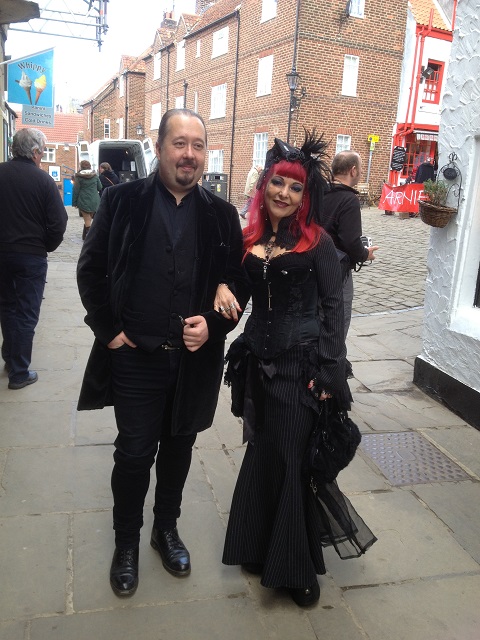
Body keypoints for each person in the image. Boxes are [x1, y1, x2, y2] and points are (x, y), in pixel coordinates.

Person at [76, 108, 249, 598]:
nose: (189, 154)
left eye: (198, 145)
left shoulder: (220, 214)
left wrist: (213, 325)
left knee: (178, 451)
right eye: (180, 143)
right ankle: (126, 543)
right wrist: (109, 331)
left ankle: (164, 530)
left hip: (193, 362)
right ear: (159, 146)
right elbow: (90, 271)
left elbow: (239, 285)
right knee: (133, 454)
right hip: (135, 356)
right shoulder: (122, 201)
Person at [216, 134, 376, 607]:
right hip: (258, 366)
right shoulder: (253, 240)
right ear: (265, 186)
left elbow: (333, 308)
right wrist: (221, 287)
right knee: (263, 452)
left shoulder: (318, 244)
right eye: (277, 183)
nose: (284, 193)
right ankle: (257, 543)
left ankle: (297, 565)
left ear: (307, 197)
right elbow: (240, 296)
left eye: (295, 187)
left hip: (299, 367)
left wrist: (328, 374)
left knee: (291, 460)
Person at [0, 128, 67, 389]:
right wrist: (46, 246)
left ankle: (10, 358)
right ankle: (19, 372)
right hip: (30, 256)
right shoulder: (42, 181)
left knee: (7, 307)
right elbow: (58, 223)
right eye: (42, 151)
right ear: (36, 152)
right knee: (26, 312)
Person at [320, 151, 378, 340]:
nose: (360, 173)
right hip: (337, 272)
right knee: (337, 324)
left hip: (314, 267)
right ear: (353, 170)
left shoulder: (321, 192)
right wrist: (364, 254)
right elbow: (351, 242)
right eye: (360, 169)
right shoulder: (349, 200)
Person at [72, 160, 102, 240]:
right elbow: (100, 187)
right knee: (89, 218)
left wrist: (74, 203)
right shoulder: (95, 175)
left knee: (87, 220)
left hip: (83, 200)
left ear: (81, 167)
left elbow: (76, 190)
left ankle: (90, 238)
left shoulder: (78, 177)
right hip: (95, 201)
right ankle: (84, 236)